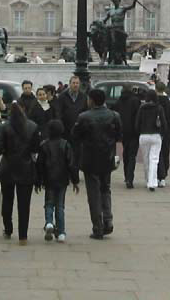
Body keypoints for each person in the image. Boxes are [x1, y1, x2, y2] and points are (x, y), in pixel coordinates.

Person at [71, 88, 121, 239]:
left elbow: (75, 136)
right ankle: (108, 220)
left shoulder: (84, 117)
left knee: (94, 194)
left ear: (92, 100)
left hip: (90, 159)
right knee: (105, 189)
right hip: (107, 157)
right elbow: (119, 135)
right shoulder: (114, 115)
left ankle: (98, 226)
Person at [0, 101, 40, 244]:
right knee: (24, 204)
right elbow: (35, 148)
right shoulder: (32, 126)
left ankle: (8, 229)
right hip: (25, 167)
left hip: (8, 167)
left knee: (7, 201)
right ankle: (23, 236)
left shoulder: (4, 127)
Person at [35, 119, 79, 243]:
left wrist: (38, 181)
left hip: (49, 179)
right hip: (62, 179)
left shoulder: (44, 145)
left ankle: (49, 222)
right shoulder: (66, 144)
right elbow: (71, 164)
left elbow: (39, 165)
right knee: (60, 206)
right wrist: (75, 180)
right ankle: (61, 232)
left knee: (49, 203)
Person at [136, 89, 166, 192]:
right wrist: (162, 134)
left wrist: (139, 132)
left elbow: (137, 123)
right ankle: (152, 182)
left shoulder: (142, 108)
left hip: (144, 135)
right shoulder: (159, 108)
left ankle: (148, 180)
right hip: (156, 135)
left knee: (146, 159)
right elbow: (164, 123)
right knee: (154, 159)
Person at [115, 88, 142, 189]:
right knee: (132, 155)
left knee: (126, 153)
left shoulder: (119, 101)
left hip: (123, 132)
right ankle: (130, 178)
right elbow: (139, 116)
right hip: (134, 132)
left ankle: (126, 175)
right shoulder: (136, 101)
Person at [54, 75, 87, 147]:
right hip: (66, 129)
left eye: (77, 83)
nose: (75, 85)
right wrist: (61, 126)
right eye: (73, 83)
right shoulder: (62, 96)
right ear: (70, 84)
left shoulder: (83, 96)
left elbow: (86, 111)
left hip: (79, 129)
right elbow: (58, 112)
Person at [155, 82, 170, 188]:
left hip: (155, 131)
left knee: (156, 154)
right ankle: (163, 177)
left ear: (156, 89)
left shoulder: (154, 103)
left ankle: (157, 175)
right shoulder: (169, 104)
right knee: (165, 152)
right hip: (167, 132)